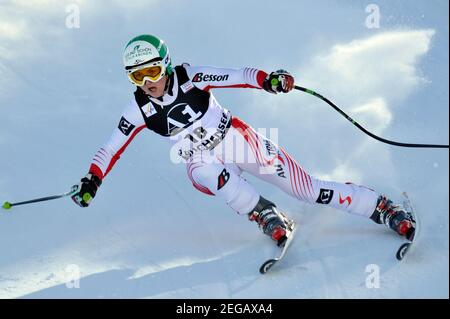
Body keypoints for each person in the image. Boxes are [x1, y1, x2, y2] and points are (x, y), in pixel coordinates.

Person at [71, 34, 415, 247]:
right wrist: (92, 179)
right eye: (137, 75)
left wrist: (269, 80)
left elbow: (236, 75)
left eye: (152, 71)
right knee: (204, 167)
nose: (147, 82)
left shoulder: (190, 76)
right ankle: (263, 212)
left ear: (166, 65)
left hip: (236, 138)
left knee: (308, 190)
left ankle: (379, 206)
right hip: (199, 158)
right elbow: (110, 148)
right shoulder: (138, 109)